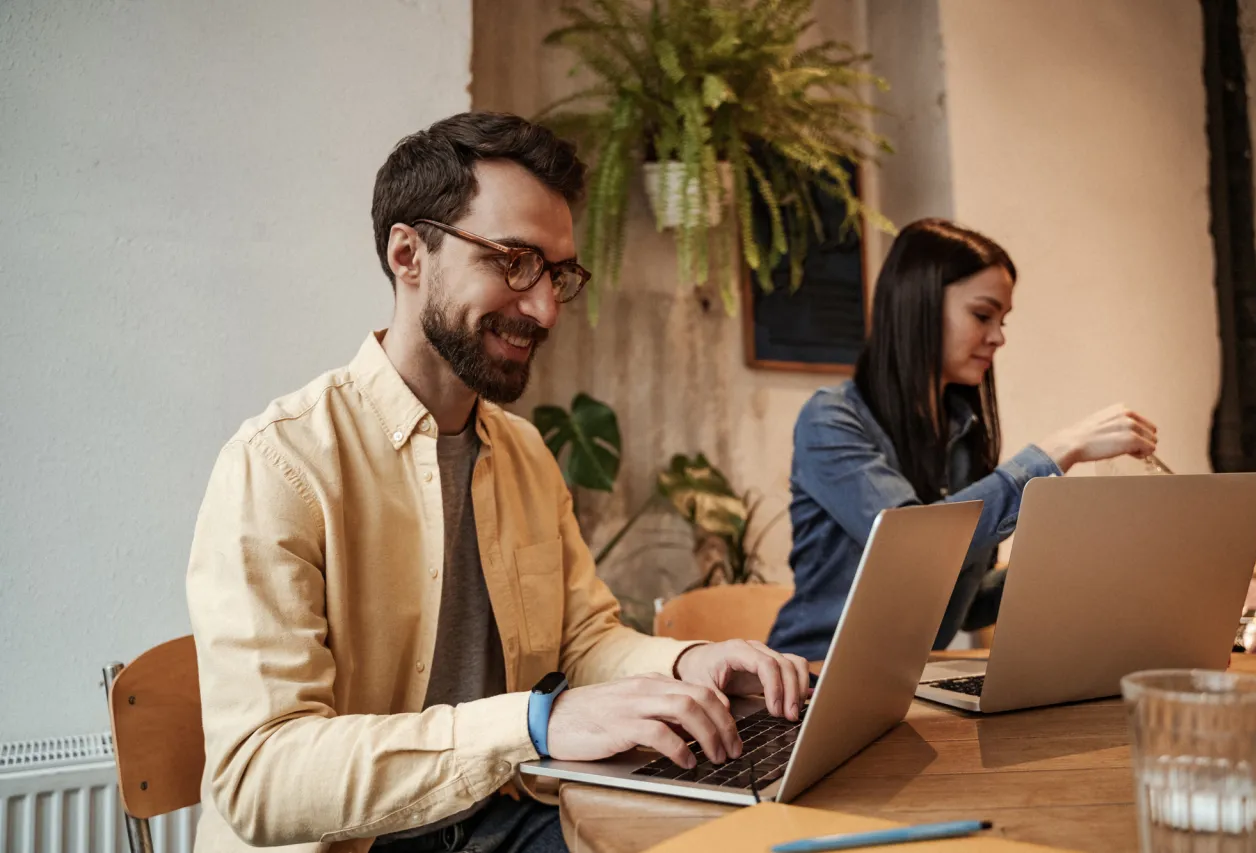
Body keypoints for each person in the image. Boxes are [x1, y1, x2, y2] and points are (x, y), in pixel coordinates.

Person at [185, 111, 811, 853]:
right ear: (409, 254)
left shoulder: (524, 453)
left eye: (558, 274)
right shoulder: (279, 465)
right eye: (513, 261)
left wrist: (686, 661)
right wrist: (533, 724)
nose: (545, 307)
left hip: (494, 817)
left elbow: (581, 641)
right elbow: (261, 775)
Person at [767, 218, 1159, 660]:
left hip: (905, 682)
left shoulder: (961, 430)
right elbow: (914, 545)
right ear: (920, 304)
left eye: (1002, 320)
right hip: (807, 679)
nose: (998, 337)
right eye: (982, 315)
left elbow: (962, 607)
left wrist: (1077, 564)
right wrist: (1055, 453)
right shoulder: (830, 419)